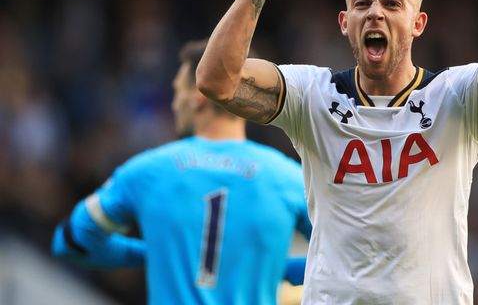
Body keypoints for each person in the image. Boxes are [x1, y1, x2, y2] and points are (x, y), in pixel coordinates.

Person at [196, 0, 478, 304]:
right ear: (344, 22)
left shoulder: (455, 98)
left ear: (418, 24)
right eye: (362, 3)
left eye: (392, 3)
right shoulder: (312, 97)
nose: (375, 13)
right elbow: (216, 80)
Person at [52, 40, 312, 305]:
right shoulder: (290, 178)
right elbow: (343, 256)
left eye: (176, 92)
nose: (175, 104)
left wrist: (149, 252)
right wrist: (274, 268)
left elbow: (72, 241)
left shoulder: (148, 171)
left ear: (199, 95)